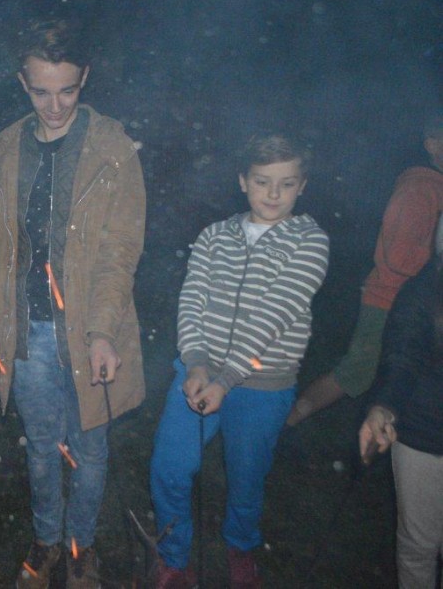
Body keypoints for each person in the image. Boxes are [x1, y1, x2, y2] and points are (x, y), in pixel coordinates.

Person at [0, 19, 147, 589]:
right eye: (40, 91)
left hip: (88, 328)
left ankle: (81, 546)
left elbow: (119, 252)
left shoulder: (113, 150)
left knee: (90, 447)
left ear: (85, 79)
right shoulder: (5, 150)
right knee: (41, 447)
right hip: (26, 331)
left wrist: (101, 332)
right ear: (22, 83)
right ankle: (47, 539)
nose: (54, 106)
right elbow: (1, 245)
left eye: (68, 90)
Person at [150, 133, 330, 588]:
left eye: (286, 184)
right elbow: (192, 300)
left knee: (247, 480)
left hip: (264, 386)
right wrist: (196, 364)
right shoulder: (214, 236)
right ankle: (174, 558)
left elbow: (273, 314)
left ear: (302, 186)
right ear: (243, 181)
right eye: (262, 181)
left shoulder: (310, 241)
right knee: (170, 467)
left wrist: (226, 379)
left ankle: (241, 546)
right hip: (199, 373)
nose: (273, 194)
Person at [286, 115, 443, 427]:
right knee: (355, 373)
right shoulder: (419, 188)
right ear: (432, 144)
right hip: (389, 302)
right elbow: (397, 256)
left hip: (416, 305)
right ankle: (283, 424)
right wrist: (434, 269)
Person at [359, 256, 443, 589]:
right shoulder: (426, 288)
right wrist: (384, 408)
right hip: (425, 432)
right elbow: (403, 356)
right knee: (418, 546)